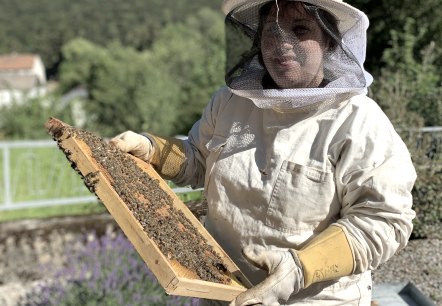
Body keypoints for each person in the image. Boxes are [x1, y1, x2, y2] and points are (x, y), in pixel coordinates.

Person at [111, 0, 416, 305]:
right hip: (221, 290)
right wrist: (152, 149)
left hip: (312, 299)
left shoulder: (358, 120)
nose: (283, 43)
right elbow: (198, 159)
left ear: (329, 40)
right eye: (272, 31)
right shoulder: (230, 102)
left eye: (300, 29)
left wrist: (300, 268)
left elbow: (384, 220)